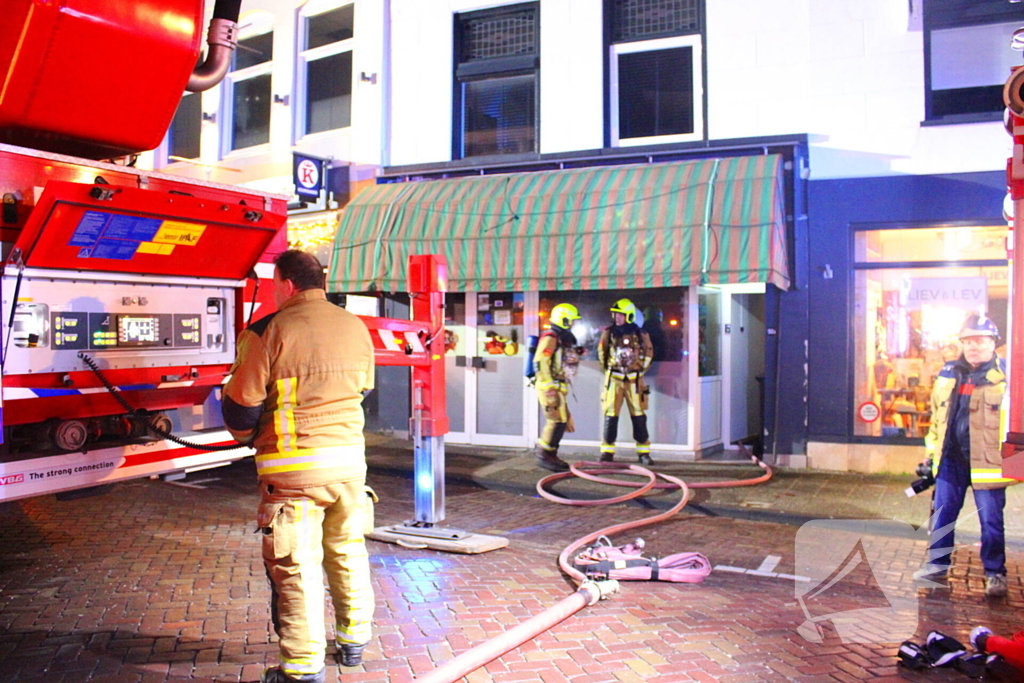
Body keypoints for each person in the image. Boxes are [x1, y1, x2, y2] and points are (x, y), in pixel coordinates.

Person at [222, 250, 377, 683]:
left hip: (295, 476)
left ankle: (302, 668)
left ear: (287, 284)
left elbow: (241, 410)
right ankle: (353, 641)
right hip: (350, 468)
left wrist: (248, 437)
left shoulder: (268, 331)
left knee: (298, 567)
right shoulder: (355, 327)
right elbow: (362, 388)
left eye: (274, 285)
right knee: (348, 552)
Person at [913, 314, 1017, 597]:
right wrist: (931, 456)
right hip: (951, 461)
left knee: (991, 522)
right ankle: (937, 566)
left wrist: (1016, 465)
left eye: (980, 341)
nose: (973, 347)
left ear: (993, 343)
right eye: (968, 341)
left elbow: (1018, 422)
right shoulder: (948, 373)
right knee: (943, 517)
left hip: (988, 463)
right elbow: (937, 419)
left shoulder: (1009, 377)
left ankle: (995, 574)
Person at [598, 299, 654, 465]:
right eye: (616, 314)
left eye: (621, 315)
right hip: (614, 380)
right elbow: (602, 354)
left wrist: (640, 370)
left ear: (629, 316)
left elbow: (649, 353)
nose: (617, 317)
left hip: (634, 382)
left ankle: (643, 453)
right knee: (610, 415)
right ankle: (607, 452)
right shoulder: (608, 333)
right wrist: (610, 370)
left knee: (639, 416)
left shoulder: (641, 334)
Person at [534, 303, 582, 472]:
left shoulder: (560, 338)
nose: (573, 324)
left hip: (557, 386)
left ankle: (551, 454)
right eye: (571, 320)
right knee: (555, 421)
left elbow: (558, 360)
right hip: (549, 387)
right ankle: (543, 455)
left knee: (561, 421)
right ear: (564, 319)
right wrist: (549, 388)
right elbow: (541, 362)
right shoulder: (550, 337)